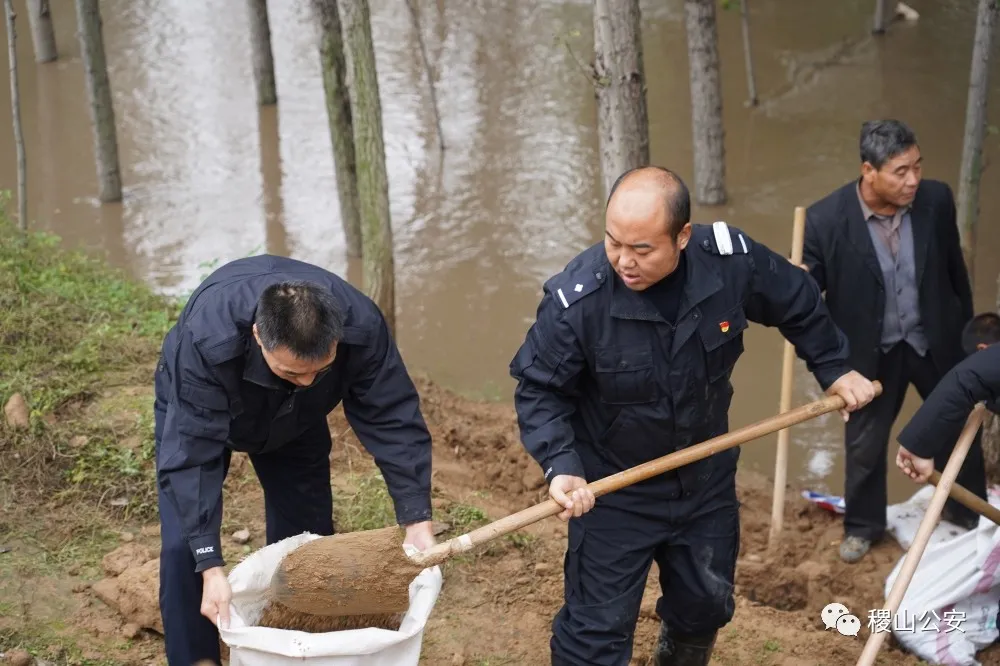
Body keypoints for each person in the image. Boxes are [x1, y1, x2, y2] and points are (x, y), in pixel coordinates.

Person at [508, 165, 876, 666]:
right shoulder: (579, 301)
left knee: (705, 605)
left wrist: (835, 367)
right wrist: (561, 464)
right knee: (596, 634)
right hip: (616, 490)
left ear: (682, 236)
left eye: (642, 249)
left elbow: (797, 299)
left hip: (705, 479)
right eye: (614, 243)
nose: (623, 261)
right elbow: (539, 390)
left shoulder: (728, 262)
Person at [153, 255, 435, 665]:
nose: (306, 380)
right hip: (203, 405)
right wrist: (211, 566)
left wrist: (416, 518)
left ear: (336, 340)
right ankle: (196, 657)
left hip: (299, 418)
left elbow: (392, 416)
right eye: (292, 372)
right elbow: (192, 459)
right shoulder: (206, 339)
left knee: (307, 540)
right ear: (257, 336)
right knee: (185, 546)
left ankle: (298, 647)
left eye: (318, 371)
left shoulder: (361, 326)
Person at [801, 119, 982, 564]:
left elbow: (956, 274)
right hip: (870, 354)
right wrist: (800, 283)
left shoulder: (936, 201)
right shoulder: (825, 220)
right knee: (864, 444)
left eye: (917, 167)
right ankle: (863, 525)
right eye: (901, 171)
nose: (913, 180)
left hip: (933, 342)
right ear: (869, 171)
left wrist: (971, 336)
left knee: (958, 429)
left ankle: (965, 510)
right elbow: (807, 303)